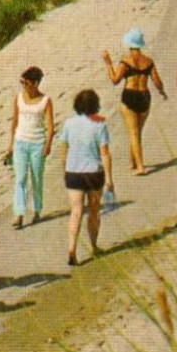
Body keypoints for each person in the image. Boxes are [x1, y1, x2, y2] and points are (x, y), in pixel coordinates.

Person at [56, 89, 113, 266]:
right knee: (94, 211)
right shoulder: (100, 124)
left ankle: (72, 248)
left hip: (73, 172)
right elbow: (104, 153)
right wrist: (110, 178)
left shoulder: (69, 123)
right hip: (93, 172)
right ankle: (94, 246)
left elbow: (64, 149)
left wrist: (64, 168)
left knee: (76, 211)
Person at [102, 28, 165, 176]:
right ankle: (133, 161)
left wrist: (108, 63)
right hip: (144, 95)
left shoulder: (126, 61)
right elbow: (157, 82)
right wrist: (162, 92)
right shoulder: (148, 61)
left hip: (130, 95)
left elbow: (115, 80)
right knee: (137, 131)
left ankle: (141, 167)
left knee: (133, 132)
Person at [3, 66, 53, 227]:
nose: (23, 85)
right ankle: (19, 214)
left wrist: (48, 144)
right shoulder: (18, 98)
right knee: (20, 178)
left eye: (26, 82)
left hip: (38, 143)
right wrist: (10, 144)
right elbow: (14, 121)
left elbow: (51, 126)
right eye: (22, 82)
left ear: (36, 83)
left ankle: (37, 209)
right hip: (20, 141)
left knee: (37, 178)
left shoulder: (46, 100)